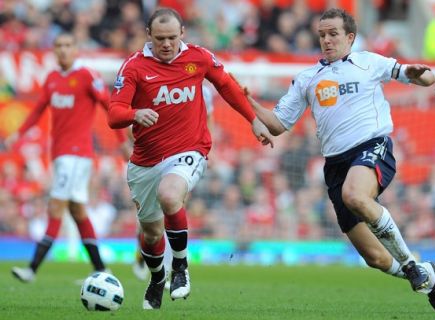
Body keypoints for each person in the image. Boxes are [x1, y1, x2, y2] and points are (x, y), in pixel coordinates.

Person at [242, 8, 435, 313]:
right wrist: (247, 101)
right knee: (374, 258)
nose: (326, 39)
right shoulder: (307, 79)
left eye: (333, 33)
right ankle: (429, 277)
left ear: (349, 37)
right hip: (336, 165)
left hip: (372, 146)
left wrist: (423, 73)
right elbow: (278, 124)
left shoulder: (369, 62)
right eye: (322, 34)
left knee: (355, 195)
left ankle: (410, 263)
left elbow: (422, 77)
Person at [107, 7, 273, 310]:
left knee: (171, 196)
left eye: (172, 37)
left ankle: (181, 267)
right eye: (160, 39)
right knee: (150, 232)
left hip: (189, 150)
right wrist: (135, 113)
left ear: (182, 33)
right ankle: (157, 278)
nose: (167, 44)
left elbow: (226, 85)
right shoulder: (133, 67)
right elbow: (114, 114)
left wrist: (253, 119)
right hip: (145, 160)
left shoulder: (198, 57)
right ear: (149, 36)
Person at [6, 32, 130, 282]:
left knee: (55, 206)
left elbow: (109, 106)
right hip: (60, 154)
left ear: (75, 49)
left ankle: (31, 269)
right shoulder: (51, 79)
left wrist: (122, 140)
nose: (63, 50)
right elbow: (37, 110)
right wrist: (17, 134)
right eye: (59, 46)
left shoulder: (86, 75)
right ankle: (102, 270)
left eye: (68, 45)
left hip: (77, 154)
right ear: (54, 50)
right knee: (77, 212)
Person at [131, 84, 215, 285]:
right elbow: (129, 124)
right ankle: (142, 254)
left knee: (173, 205)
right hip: (154, 157)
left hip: (185, 158)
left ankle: (171, 270)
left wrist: (205, 149)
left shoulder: (204, 91)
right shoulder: (158, 84)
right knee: (151, 217)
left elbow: (208, 119)